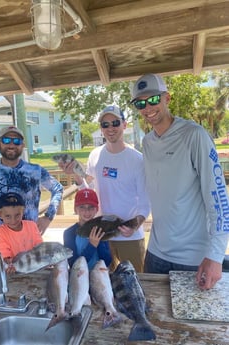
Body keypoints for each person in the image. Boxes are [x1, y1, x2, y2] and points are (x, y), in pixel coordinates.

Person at [130, 73, 229, 290]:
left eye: (153, 99)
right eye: (140, 103)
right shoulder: (147, 143)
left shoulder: (194, 135)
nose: (147, 107)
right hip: (156, 252)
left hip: (193, 258)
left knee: (190, 324)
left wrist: (215, 255)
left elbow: (219, 200)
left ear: (167, 98)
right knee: (153, 318)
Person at [60, 105, 151, 272]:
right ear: (101, 129)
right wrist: (77, 177)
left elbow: (146, 202)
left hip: (129, 237)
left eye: (115, 123)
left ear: (124, 125)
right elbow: (90, 192)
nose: (110, 128)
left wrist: (134, 227)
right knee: (104, 288)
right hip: (100, 236)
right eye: (105, 124)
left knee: (135, 285)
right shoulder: (95, 155)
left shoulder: (137, 159)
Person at [0, 192, 43, 273]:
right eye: (8, 216)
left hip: (34, 268)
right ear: (0, 214)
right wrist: (10, 264)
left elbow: (40, 247)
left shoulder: (32, 225)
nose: (13, 220)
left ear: (23, 211)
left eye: (17, 215)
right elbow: (4, 256)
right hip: (13, 271)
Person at [63, 188, 112, 270]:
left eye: (91, 207)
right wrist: (92, 246)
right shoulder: (69, 233)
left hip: (99, 277)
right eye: (82, 207)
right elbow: (72, 263)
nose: (87, 211)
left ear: (97, 209)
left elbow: (106, 261)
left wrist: (98, 243)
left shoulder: (102, 230)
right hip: (78, 278)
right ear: (75, 209)